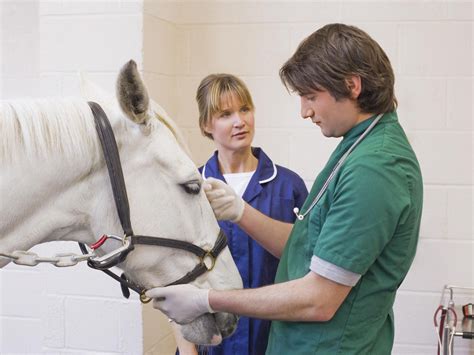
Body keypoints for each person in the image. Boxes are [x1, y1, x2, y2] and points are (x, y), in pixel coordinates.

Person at [149, 23, 423, 354]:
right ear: (207, 124)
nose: (305, 111)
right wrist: (241, 212)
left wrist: (207, 300)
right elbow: (306, 250)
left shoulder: (374, 168)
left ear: (351, 86)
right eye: (224, 114)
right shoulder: (355, 149)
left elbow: (318, 300)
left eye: (310, 96)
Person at [173, 74, 308, 355]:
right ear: (206, 125)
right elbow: (175, 278)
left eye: (245, 109)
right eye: (225, 114)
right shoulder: (190, 188)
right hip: (210, 345)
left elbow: (304, 264)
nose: (240, 121)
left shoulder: (288, 186)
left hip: (273, 343)